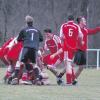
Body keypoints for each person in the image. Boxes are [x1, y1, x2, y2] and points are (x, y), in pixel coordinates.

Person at [11, 15, 43, 85]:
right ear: (32, 22)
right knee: (34, 65)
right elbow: (41, 39)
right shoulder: (37, 30)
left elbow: (18, 39)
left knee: (19, 62)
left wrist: (24, 39)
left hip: (26, 48)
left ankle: (15, 79)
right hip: (34, 49)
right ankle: (37, 80)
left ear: (26, 22)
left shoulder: (24, 30)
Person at [59, 15, 83, 85]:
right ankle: (73, 80)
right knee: (69, 62)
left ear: (67, 19)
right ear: (73, 20)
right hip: (74, 47)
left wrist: (64, 40)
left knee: (67, 64)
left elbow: (61, 37)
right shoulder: (76, 26)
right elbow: (81, 36)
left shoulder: (64, 25)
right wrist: (79, 43)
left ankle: (69, 81)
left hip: (67, 47)